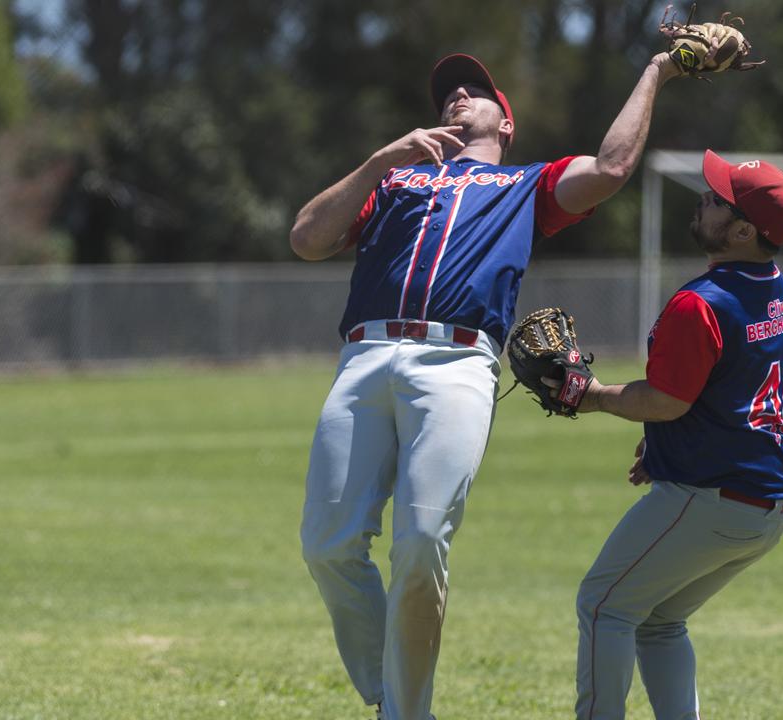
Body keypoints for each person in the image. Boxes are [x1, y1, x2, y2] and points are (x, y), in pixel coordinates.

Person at [288, 51, 685, 720]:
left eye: (476, 91)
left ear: (506, 125)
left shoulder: (526, 187)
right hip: (364, 355)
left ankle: (404, 714)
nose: (458, 97)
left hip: (455, 365)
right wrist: (382, 159)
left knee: (419, 544)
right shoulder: (396, 181)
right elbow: (306, 237)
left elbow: (612, 168)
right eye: (449, 92)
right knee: (327, 545)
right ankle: (391, 694)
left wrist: (656, 70)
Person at [561, 150, 783, 720]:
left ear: (743, 230)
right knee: (660, 621)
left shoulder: (701, 302)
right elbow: (729, 386)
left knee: (604, 606)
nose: (705, 197)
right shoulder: (771, 284)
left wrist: (589, 394)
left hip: (712, 496)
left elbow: (669, 400)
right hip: (769, 502)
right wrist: (664, 445)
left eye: (719, 198)